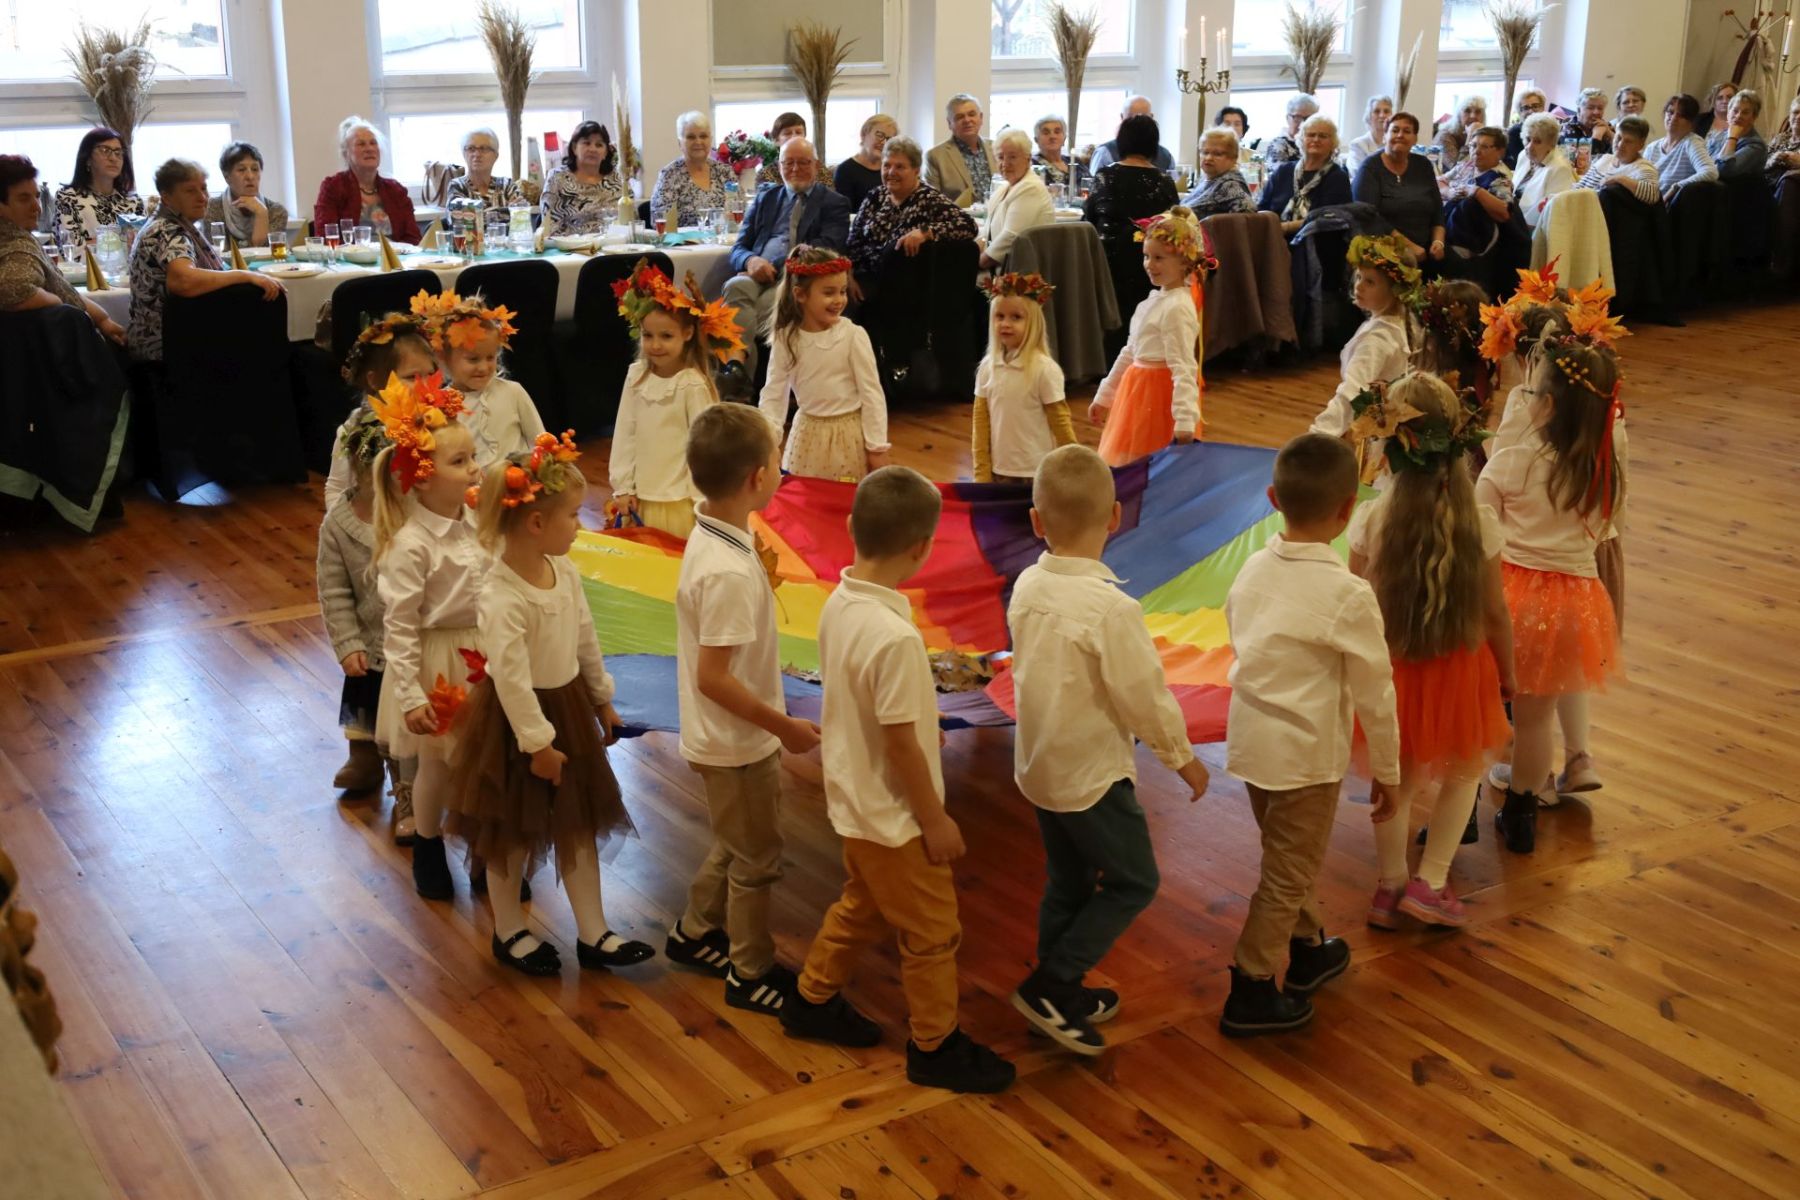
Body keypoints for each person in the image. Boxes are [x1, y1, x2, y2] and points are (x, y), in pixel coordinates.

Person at [778, 466, 1017, 1095]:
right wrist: (934, 819)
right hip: (897, 815)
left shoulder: (841, 603)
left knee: (863, 905)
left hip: (857, 798)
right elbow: (900, 742)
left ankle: (810, 999)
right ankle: (935, 1046)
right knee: (933, 932)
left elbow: (873, 708)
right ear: (922, 548)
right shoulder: (895, 637)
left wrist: (917, 722)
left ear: (852, 526)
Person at [1006, 444, 1208, 1054]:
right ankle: (1053, 984)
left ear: (1036, 521)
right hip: (1091, 777)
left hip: (1040, 766)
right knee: (1133, 881)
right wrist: (1182, 758)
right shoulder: (1112, 609)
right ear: (1116, 517)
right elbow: (1143, 697)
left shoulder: (1026, 583)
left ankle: (1056, 996)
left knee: (1067, 881)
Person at [446, 433, 650, 976]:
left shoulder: (566, 574)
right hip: (517, 727)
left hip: (568, 712)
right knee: (510, 833)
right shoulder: (501, 594)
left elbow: (586, 640)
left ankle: (594, 931)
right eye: (572, 516)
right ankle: (509, 930)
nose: (580, 525)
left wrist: (601, 698)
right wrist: (538, 745)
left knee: (578, 825)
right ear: (536, 523)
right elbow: (511, 680)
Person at [1219, 432, 1397, 1036]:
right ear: (1349, 508)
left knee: (1285, 856)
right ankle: (1250, 986)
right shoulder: (1348, 594)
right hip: (1305, 758)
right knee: (1286, 873)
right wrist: (1389, 771)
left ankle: (1309, 948)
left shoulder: (1250, 569)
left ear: (1273, 499)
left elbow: (1238, 637)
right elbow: (1377, 693)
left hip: (1252, 743)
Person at [668, 404, 822, 1010]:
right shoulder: (728, 571)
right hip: (735, 742)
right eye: (778, 462)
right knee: (758, 858)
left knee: (737, 840)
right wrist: (784, 728)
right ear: (758, 478)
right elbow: (714, 678)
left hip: (724, 736)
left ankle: (693, 931)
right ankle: (749, 972)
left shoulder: (711, 528)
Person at [1346, 373, 1514, 930]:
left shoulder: (1372, 519)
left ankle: (1390, 885)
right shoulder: (1478, 522)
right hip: (1461, 666)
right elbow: (1495, 612)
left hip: (1390, 670)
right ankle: (1432, 881)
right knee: (1465, 772)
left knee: (1396, 776)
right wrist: (1509, 674)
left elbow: (1355, 602)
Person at [1477, 337, 1627, 853]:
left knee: (1482, 708)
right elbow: (1604, 530)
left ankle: (1460, 804)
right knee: (1537, 720)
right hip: (1573, 605)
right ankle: (1522, 816)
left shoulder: (1512, 461)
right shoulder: (1603, 472)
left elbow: (1478, 529)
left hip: (1510, 598)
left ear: (1546, 404)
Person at [369, 372, 486, 899]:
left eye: (473, 457)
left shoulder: (478, 522)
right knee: (438, 763)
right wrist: (411, 694)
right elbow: (399, 627)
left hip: (484, 652)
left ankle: (486, 850)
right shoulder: (411, 544)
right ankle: (429, 844)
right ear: (421, 478)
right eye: (459, 462)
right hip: (438, 662)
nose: (474, 469)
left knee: (484, 760)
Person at [609, 261, 738, 538]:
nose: (655, 345)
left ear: (687, 334)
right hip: (641, 500)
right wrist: (623, 486)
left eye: (666, 336)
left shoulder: (691, 384)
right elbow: (625, 433)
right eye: (648, 335)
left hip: (681, 502)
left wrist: (702, 499)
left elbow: (704, 447)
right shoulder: (636, 376)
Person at [719, 137, 851, 386]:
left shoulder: (834, 202)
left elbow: (827, 247)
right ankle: (737, 368)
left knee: (754, 310)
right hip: (756, 274)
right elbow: (738, 248)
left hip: (797, 279)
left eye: (803, 162)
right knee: (734, 286)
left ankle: (739, 381)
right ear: (779, 166)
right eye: (788, 163)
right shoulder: (766, 198)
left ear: (816, 165)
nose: (795, 169)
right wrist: (750, 261)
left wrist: (774, 265)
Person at [127, 158, 284, 365]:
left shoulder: (166, 223)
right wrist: (244, 275)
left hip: (178, 342)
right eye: (190, 191)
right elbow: (183, 280)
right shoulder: (167, 230)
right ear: (166, 197)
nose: (202, 197)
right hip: (166, 351)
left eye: (203, 188)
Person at [1089, 206, 1209, 466]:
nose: (1149, 265)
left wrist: (1185, 420)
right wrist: (1105, 395)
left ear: (1184, 262)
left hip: (1157, 398)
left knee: (1150, 466)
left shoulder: (1177, 308)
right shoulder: (1153, 301)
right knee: (1130, 463)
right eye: (1146, 256)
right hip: (1135, 393)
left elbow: (1184, 367)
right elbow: (1130, 351)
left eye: (1159, 258)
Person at [759, 246, 889, 481]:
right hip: (807, 437)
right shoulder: (787, 339)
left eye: (842, 291)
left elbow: (872, 394)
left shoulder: (853, 336)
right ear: (800, 294)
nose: (839, 300)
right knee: (807, 497)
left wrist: (876, 446)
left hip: (848, 438)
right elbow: (774, 393)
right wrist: (768, 442)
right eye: (829, 293)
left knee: (843, 496)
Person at [318, 407, 394, 798]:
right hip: (368, 644)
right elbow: (334, 591)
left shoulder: (414, 514)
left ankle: (408, 778)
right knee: (366, 705)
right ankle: (364, 758)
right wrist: (347, 644)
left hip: (413, 642)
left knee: (409, 722)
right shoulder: (337, 524)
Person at [0, 154, 127, 344]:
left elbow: (63, 291)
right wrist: (59, 307)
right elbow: (14, 289)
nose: (37, 207)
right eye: (23, 199)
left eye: (36, 196)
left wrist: (102, 319)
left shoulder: (19, 237)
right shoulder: (16, 247)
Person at [1311, 235, 1419, 457]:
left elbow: (1353, 391)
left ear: (1395, 291)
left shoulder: (1378, 339)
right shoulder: (1399, 322)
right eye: (1359, 277)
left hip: (1376, 435)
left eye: (1370, 282)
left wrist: (1320, 434)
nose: (1359, 285)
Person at [971, 272, 1076, 483]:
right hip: (999, 473)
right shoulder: (987, 368)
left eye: (1016, 317)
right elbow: (980, 424)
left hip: (1037, 474)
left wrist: (1075, 467)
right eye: (999, 316)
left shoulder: (1044, 369)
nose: (1005, 324)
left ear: (1034, 323)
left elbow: (1060, 422)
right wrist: (982, 473)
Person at [1083, 114, 1180, 341]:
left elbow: (1088, 221)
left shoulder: (1105, 176)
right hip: (1150, 266)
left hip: (1108, 266)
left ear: (1121, 143)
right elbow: (1174, 223)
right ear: (1154, 145)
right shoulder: (1164, 182)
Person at [1354, 112, 1446, 263]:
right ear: (1385, 136)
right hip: (1386, 248)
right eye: (1395, 130)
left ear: (1415, 139)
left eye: (1407, 131)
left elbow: (1438, 210)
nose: (1400, 135)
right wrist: (1409, 247)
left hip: (1427, 248)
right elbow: (1369, 217)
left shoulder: (1423, 165)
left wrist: (1438, 242)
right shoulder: (1370, 168)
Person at [313, 116, 421, 243]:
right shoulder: (333, 188)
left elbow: (413, 238)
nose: (369, 149)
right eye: (361, 144)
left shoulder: (396, 191)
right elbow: (326, 237)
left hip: (395, 255)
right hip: (350, 256)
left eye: (373, 143)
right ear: (346, 154)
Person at [1258, 115, 1353, 235]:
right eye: (1311, 135)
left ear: (1333, 143)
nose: (1316, 139)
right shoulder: (1283, 172)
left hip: (1314, 240)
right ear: (1301, 140)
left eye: (1323, 136)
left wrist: (1285, 228)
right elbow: (1262, 207)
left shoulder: (1338, 177)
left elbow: (1328, 220)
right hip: (1273, 238)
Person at [53, 126, 146, 245]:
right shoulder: (68, 197)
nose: (113, 158)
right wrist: (121, 241)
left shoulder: (133, 202)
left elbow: (145, 246)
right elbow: (70, 247)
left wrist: (96, 241)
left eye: (118, 153)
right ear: (87, 159)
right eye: (105, 150)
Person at [978, 129, 1054, 267]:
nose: (1005, 163)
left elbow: (1010, 237)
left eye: (1012, 157)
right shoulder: (1004, 188)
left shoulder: (1031, 188)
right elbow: (986, 233)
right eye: (1000, 157)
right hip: (1004, 268)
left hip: (1024, 272)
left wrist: (977, 264)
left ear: (1028, 159)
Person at [650, 110, 736, 228]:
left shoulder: (725, 172)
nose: (698, 141)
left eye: (703, 136)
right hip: (685, 240)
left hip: (724, 237)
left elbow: (740, 211)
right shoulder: (669, 175)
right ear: (680, 143)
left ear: (710, 140)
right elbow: (660, 222)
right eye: (691, 137)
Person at [1441, 126, 1516, 259]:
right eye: (1473, 145)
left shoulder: (1500, 178)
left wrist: (1476, 191)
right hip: (1444, 227)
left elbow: (1504, 213)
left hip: (1470, 240)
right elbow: (1438, 182)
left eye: (1484, 147)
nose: (1476, 151)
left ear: (1500, 152)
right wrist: (1449, 192)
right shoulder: (1465, 166)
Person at [541, 120, 623, 238]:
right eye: (586, 143)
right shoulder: (557, 178)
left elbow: (629, 223)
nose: (593, 149)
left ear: (606, 152)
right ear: (574, 148)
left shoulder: (619, 179)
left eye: (599, 145)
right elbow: (549, 227)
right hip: (569, 247)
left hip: (612, 246)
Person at [204, 142, 287, 247]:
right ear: (227, 177)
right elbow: (214, 253)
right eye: (241, 170)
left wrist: (261, 214)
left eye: (255, 169)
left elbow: (266, 253)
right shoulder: (212, 208)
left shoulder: (276, 211)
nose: (250, 176)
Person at [925, 94, 998, 207]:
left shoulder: (997, 148)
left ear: (981, 118)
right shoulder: (935, 156)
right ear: (950, 123)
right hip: (959, 216)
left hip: (998, 214)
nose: (967, 120)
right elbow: (932, 202)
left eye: (972, 114)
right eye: (959, 117)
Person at [1645, 94, 1719, 204]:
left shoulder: (1691, 142)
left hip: (1666, 208)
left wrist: (1676, 187)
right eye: (1670, 112)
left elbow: (1710, 172)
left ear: (1691, 121)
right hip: (1646, 203)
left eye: (1681, 115)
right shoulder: (1652, 148)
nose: (1673, 118)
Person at [1576, 115, 1660, 204]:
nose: (1620, 144)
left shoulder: (1643, 168)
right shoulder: (1605, 158)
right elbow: (1579, 187)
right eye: (1618, 137)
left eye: (1628, 141)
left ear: (1641, 145)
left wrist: (1620, 179)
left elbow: (1653, 196)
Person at [1513, 112, 1576, 229]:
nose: (1529, 146)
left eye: (1537, 141)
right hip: (1512, 216)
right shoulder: (1524, 155)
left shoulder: (1560, 168)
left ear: (1551, 144)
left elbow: (1550, 212)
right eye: (1528, 139)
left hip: (1532, 227)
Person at [1182, 127, 1256, 217]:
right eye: (1205, 152)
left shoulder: (1230, 184)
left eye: (1217, 154)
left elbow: (1247, 212)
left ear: (1233, 158)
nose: (1208, 158)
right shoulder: (1207, 179)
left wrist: (1216, 224)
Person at [446, 127, 527, 209]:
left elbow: (520, 211)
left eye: (483, 149)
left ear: (495, 156)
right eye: (471, 148)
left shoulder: (507, 185)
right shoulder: (457, 186)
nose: (477, 154)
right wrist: (507, 211)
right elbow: (458, 213)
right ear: (464, 154)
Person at [1090, 96, 1176, 173]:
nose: (1137, 124)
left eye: (1143, 118)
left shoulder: (1166, 156)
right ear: (1122, 117)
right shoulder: (1105, 153)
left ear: (1151, 118)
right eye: (1131, 118)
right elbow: (1093, 183)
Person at [835, 113, 898, 213]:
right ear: (863, 134)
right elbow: (844, 213)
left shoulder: (891, 170)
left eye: (888, 139)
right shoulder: (845, 170)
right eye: (879, 135)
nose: (883, 142)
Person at [755, 113, 832, 188]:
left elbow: (829, 193)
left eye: (798, 132)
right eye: (787, 133)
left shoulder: (819, 169)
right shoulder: (766, 174)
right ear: (776, 140)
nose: (794, 136)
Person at [1706, 89, 1768, 182]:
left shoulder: (1756, 145)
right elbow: (1703, 164)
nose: (1738, 116)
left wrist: (1732, 138)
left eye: (1745, 112)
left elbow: (1725, 171)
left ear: (1753, 118)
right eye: (1735, 111)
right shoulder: (1719, 135)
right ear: (1728, 113)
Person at [1263, 94, 1320, 167]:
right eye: (1297, 117)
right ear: (1287, 118)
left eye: (1309, 119)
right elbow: (1280, 173)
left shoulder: (1319, 142)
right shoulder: (1278, 145)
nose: (1303, 124)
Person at [1561, 88, 1615, 158]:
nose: (1596, 112)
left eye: (1600, 108)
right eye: (1590, 108)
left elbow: (1622, 155)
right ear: (1579, 110)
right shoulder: (1568, 129)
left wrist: (1609, 134)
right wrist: (1596, 137)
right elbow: (1576, 161)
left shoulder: (1607, 126)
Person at [1347, 95, 1395, 173]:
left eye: (1386, 111)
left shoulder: (1395, 144)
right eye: (1377, 111)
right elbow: (1357, 174)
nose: (1382, 115)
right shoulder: (1358, 145)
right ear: (1369, 117)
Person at [1504, 88, 1549, 167]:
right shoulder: (1514, 133)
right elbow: (1524, 163)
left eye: (1535, 106)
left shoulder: (1549, 130)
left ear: (1543, 108)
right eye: (1526, 108)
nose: (1531, 111)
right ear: (1520, 112)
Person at [1031, 114, 1077, 186]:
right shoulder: (1032, 165)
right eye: (1046, 133)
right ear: (1036, 140)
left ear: (1064, 138)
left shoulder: (1075, 161)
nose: (1052, 136)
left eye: (1057, 132)